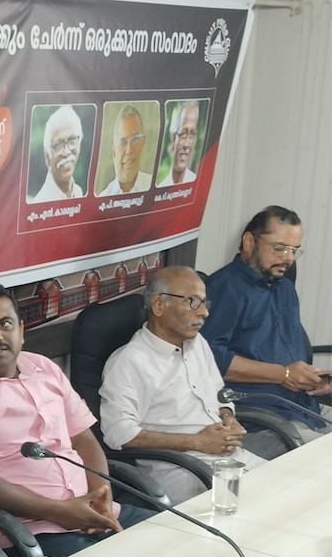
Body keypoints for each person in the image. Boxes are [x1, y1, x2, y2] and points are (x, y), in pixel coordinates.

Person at [0, 282, 154, 557]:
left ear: (20, 331)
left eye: (5, 324)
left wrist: (102, 497)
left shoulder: (44, 368)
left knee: (183, 543)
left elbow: (83, 439)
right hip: (28, 533)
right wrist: (59, 511)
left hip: (95, 515)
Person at [99, 267, 281, 505]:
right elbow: (118, 433)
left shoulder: (198, 343)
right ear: (158, 305)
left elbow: (219, 395)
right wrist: (197, 441)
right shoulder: (128, 362)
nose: (204, 312)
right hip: (182, 469)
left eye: (205, 303)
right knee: (264, 507)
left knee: (292, 488)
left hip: (228, 457)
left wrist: (227, 417)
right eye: (193, 302)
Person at [201, 206, 332, 442]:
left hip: (306, 406)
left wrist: (314, 381)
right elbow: (210, 360)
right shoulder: (224, 288)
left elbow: (286, 352)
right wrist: (284, 374)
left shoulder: (285, 288)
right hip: (263, 415)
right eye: (279, 248)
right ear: (249, 241)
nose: (289, 258)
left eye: (294, 250)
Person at [31, 106, 86, 203]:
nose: (66, 152)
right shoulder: (40, 204)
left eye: (72, 140)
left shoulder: (78, 192)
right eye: (58, 145)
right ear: (47, 156)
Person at [97, 105, 153, 196]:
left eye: (135, 139)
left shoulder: (156, 187)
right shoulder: (102, 200)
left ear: (143, 142)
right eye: (123, 143)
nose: (129, 150)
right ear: (113, 153)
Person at [158, 101, 199, 187]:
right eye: (183, 134)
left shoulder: (197, 184)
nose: (186, 145)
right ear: (173, 140)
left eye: (192, 135)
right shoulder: (162, 187)